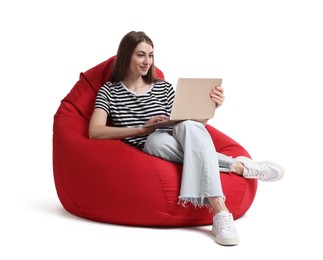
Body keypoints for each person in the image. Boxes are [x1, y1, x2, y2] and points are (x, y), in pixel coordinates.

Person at [89, 31, 284, 246]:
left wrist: (211, 108)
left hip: (178, 133)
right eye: (141, 55)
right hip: (149, 141)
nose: (147, 62)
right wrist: (142, 130)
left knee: (189, 124)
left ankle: (220, 212)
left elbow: (192, 123)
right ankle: (236, 165)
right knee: (156, 140)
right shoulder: (109, 91)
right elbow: (95, 131)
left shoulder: (163, 87)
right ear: (127, 56)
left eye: (151, 55)